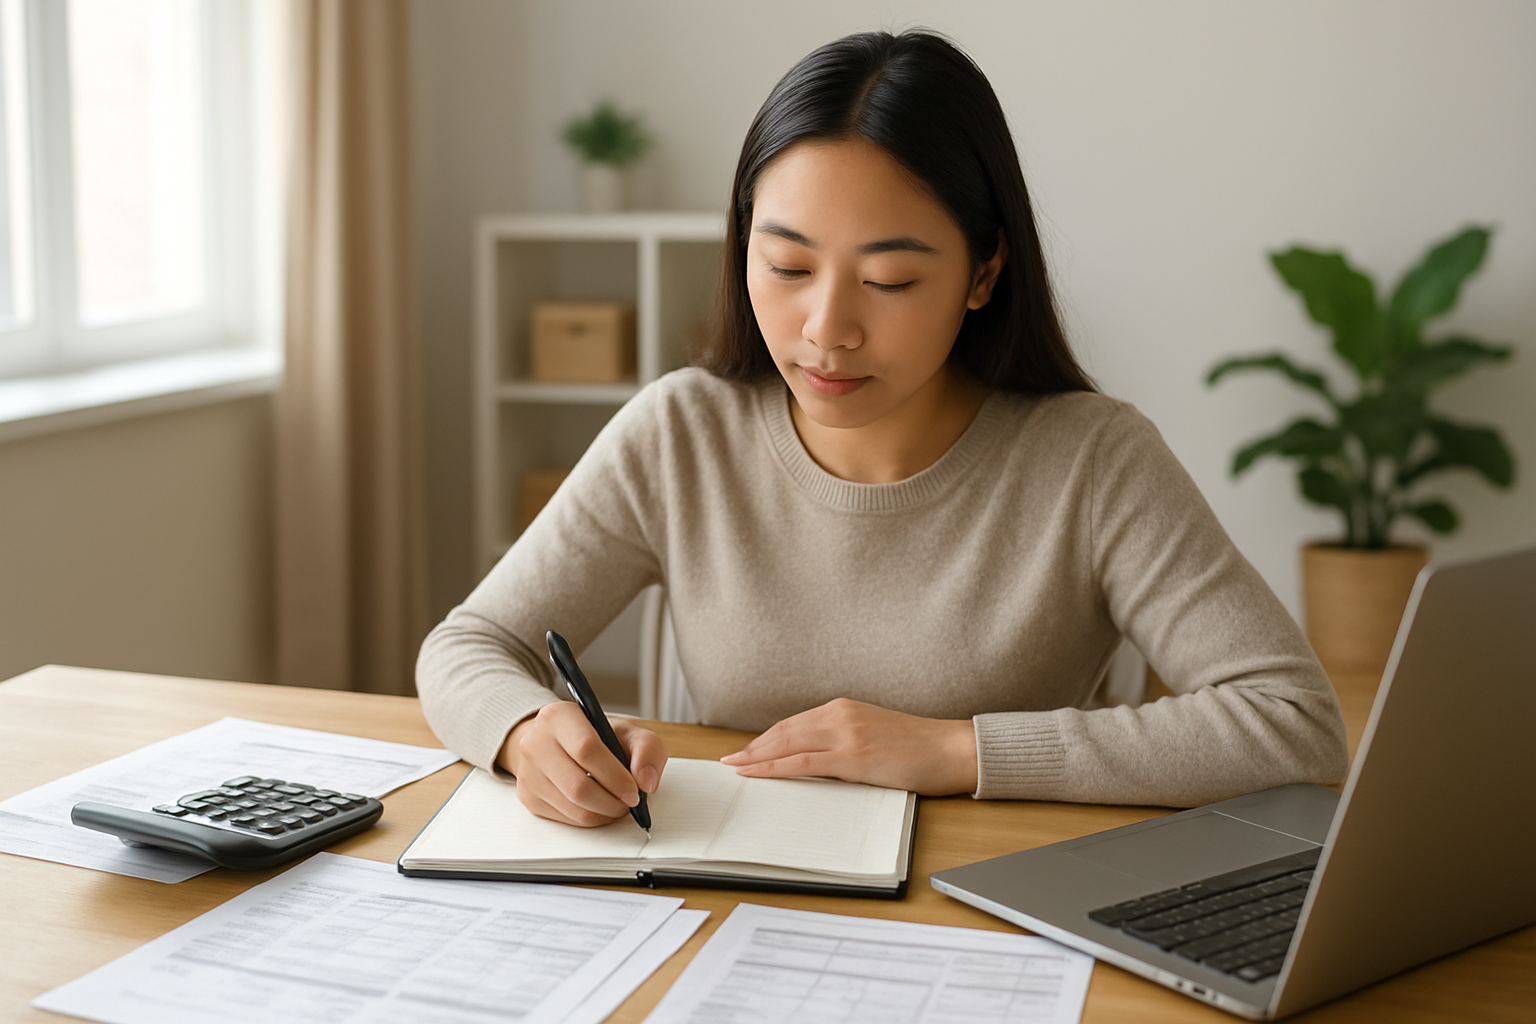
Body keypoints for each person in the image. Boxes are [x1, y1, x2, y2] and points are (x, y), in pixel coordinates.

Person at [416, 30, 1348, 828]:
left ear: (984, 275)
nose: (827, 329)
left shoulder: (1092, 459)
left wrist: (956, 752)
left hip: (996, 917)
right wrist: (525, 734)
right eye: (785, 265)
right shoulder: (680, 432)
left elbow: (1293, 722)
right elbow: (467, 647)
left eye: (891, 281)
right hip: (740, 896)